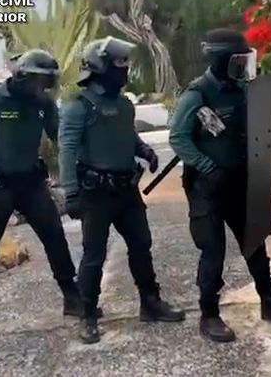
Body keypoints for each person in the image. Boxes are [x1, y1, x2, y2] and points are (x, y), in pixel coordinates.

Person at [169, 28, 271, 343]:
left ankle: (269, 301)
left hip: (239, 181)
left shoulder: (244, 90)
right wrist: (207, 167)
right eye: (237, 60)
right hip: (207, 187)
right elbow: (178, 138)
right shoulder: (198, 94)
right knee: (213, 250)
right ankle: (209, 315)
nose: (243, 66)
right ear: (220, 60)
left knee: (255, 241)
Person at [59, 36, 184, 344]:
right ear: (99, 67)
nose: (124, 71)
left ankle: (150, 302)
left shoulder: (124, 104)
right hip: (96, 194)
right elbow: (67, 150)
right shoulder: (79, 106)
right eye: (118, 64)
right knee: (94, 255)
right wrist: (70, 192)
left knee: (141, 245)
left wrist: (145, 150)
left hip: (127, 191)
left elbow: (128, 135)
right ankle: (88, 315)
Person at [0, 50, 94, 332]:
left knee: (54, 236)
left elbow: (60, 136)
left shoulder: (43, 103)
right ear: (23, 76)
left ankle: (71, 297)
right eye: (40, 80)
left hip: (30, 182)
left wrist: (83, 158)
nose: (44, 87)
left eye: (49, 81)